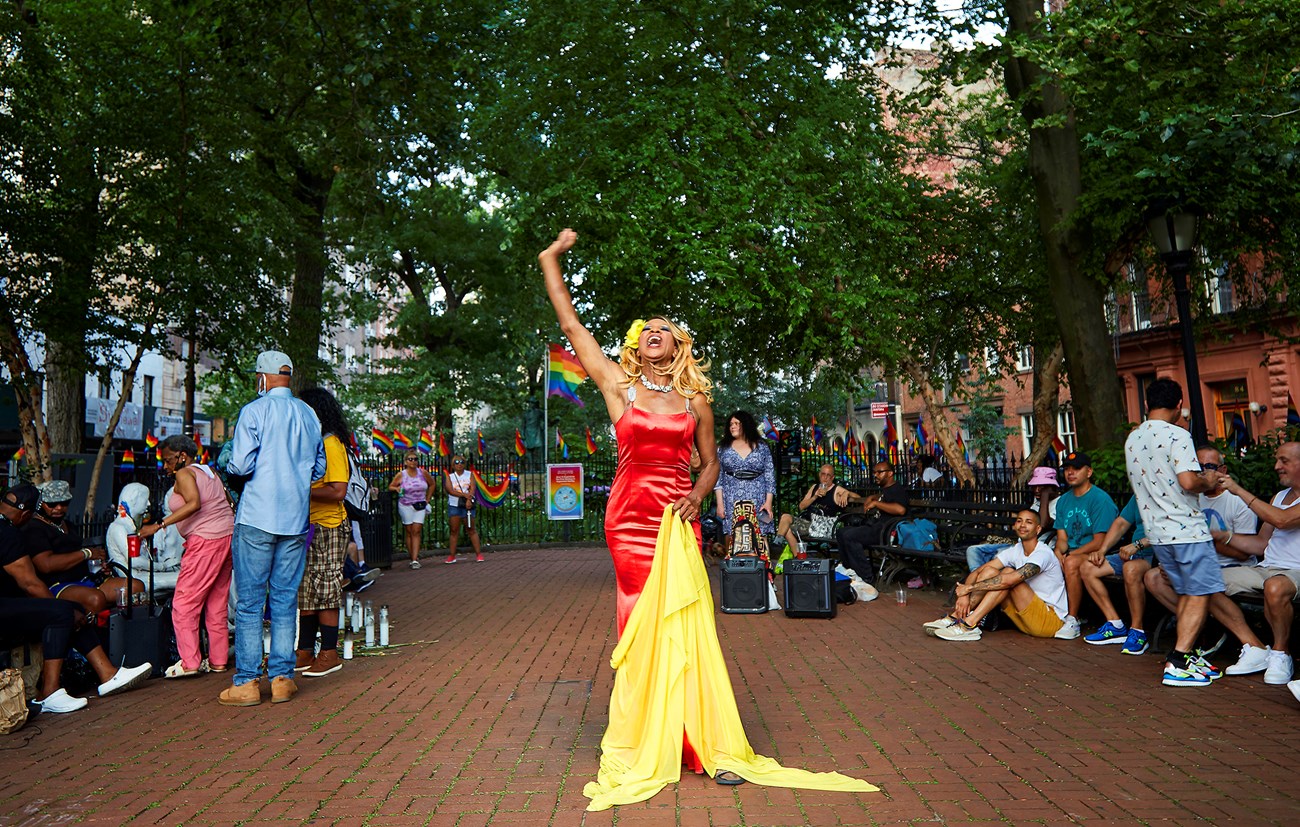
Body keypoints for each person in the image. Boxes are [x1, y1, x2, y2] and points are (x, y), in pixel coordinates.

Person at [540, 228, 873, 805]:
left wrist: (698, 494)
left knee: (689, 630)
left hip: (677, 520)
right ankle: (646, 738)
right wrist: (551, 258)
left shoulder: (697, 403)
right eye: (647, 330)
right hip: (629, 519)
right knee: (641, 629)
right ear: (637, 344)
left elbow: (713, 463)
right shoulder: (620, 388)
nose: (653, 335)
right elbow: (573, 328)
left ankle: (701, 743)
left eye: (664, 330)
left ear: (679, 346)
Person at [219, 350, 327, 707]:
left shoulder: (254, 410)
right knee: (284, 600)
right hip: (295, 519)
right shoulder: (309, 414)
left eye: (256, 377)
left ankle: (247, 682)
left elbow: (239, 464)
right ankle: (282, 679)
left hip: (257, 517)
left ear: (264, 377)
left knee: (250, 603)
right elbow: (318, 470)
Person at [1, 484, 152, 713]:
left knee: (71, 609)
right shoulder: (9, 532)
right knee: (64, 612)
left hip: (11, 602)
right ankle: (49, 693)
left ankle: (107, 674)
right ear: (26, 514)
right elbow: (30, 583)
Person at [1123, 378, 1222, 687]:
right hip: (1187, 528)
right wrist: (1209, 479)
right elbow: (1188, 482)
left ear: (1146, 404)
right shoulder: (1178, 434)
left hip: (1158, 532)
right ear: (1179, 404)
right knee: (1199, 593)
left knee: (1187, 594)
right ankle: (1178, 662)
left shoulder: (1133, 438)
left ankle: (1189, 656)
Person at [1143, 445, 1271, 676]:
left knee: (1202, 582)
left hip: (1234, 566)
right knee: (1153, 577)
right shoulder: (1192, 498)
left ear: (1222, 470)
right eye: (1197, 467)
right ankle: (1201, 626)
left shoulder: (1236, 502)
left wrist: (1202, 543)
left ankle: (1251, 644)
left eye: (1209, 467)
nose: (1202, 472)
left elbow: (1245, 553)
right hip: (1197, 564)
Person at [138, 435, 235, 678]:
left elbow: (194, 504)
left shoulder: (185, 473)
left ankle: (190, 662)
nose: (166, 466)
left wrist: (157, 525)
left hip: (205, 542)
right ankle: (219, 660)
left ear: (182, 456)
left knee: (183, 603)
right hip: (227, 537)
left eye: (169, 460)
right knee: (215, 602)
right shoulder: (209, 471)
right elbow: (228, 500)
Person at [1214, 440, 1300, 686]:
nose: (1276, 466)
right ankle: (1255, 647)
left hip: (1296, 571)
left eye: (1284, 460)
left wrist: (1237, 490)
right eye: (1277, 460)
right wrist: (1225, 537)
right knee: (1204, 581)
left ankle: (1281, 654)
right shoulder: (1279, 497)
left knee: (1275, 586)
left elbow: (1282, 520)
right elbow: (1262, 543)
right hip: (1267, 569)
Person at [925, 509, 1068, 641]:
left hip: (1049, 621)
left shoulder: (1042, 553)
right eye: (1019, 520)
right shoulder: (1016, 549)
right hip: (1025, 617)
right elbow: (979, 571)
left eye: (1028, 522)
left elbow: (1009, 580)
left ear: (1038, 529)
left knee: (1007, 575)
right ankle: (957, 617)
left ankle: (969, 624)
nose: (1022, 525)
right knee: (990, 572)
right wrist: (964, 594)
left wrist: (968, 589)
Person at [291, 388, 353, 678]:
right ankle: (304, 650)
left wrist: (301, 489)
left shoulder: (330, 444)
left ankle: (329, 652)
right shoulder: (314, 443)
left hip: (328, 526)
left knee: (326, 589)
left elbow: (338, 490)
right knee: (306, 591)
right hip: (309, 527)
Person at [23, 480, 140, 615]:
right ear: (40, 504)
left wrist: (98, 566)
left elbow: (76, 555)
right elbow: (46, 564)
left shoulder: (68, 525)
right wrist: (86, 553)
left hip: (85, 578)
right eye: (52, 504)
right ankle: (96, 632)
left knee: (135, 587)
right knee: (96, 599)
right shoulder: (35, 528)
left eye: (64, 503)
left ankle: (124, 631)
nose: (59, 508)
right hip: (57, 584)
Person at [1078, 496, 1157, 654]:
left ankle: (1138, 631)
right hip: (1133, 553)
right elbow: (1121, 523)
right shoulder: (1138, 495)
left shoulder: (1169, 494)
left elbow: (1171, 531)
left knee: (1130, 569)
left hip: (1156, 555)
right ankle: (1115, 624)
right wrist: (1102, 550)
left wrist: (1138, 545)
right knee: (1088, 567)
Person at [1053, 451, 1118, 640]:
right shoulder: (1063, 500)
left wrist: (1071, 555)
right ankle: (1053, 612)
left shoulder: (1100, 499)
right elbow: (1062, 538)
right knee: (1044, 560)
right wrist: (1058, 552)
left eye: (1076, 469)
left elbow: (1100, 541)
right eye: (1067, 469)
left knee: (1071, 563)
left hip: (1097, 552)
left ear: (1089, 472)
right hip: (1074, 552)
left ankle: (1073, 619)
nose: (1070, 473)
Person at [965, 466, 1060, 571]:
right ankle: (980, 581)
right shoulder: (1037, 502)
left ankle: (984, 582)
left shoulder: (1060, 503)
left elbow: (1043, 524)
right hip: (1019, 545)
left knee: (998, 557)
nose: (1037, 490)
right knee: (973, 550)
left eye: (1042, 487)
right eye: (1034, 486)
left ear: (1053, 487)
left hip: (1036, 548)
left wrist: (1045, 496)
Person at [835, 462, 908, 583]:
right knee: (841, 532)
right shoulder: (887, 489)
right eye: (874, 472)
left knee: (850, 537)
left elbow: (900, 509)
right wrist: (874, 496)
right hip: (877, 526)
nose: (876, 475)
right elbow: (886, 496)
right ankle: (850, 570)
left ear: (890, 473)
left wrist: (876, 503)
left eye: (880, 472)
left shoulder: (898, 489)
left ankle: (866, 576)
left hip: (887, 531)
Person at [714, 410, 776, 552]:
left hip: (758, 496)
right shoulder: (723, 448)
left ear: (746, 425)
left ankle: (765, 570)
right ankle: (732, 570)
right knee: (732, 534)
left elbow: (769, 476)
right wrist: (720, 504)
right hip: (731, 496)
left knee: (760, 534)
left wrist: (768, 502)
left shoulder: (762, 447)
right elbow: (718, 477)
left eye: (736, 423)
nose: (732, 427)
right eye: (730, 424)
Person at [774, 464, 859, 552]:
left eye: (828, 475)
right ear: (819, 475)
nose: (825, 477)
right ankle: (779, 543)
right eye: (823, 474)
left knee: (787, 528)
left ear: (832, 477)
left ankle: (797, 556)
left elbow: (858, 498)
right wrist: (815, 496)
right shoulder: (815, 487)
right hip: (808, 523)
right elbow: (801, 506)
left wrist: (846, 493)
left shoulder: (836, 489)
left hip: (822, 526)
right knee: (785, 518)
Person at [389, 451, 434, 569]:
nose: (413, 461)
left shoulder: (423, 473)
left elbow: (432, 484)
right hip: (406, 505)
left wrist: (427, 499)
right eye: (410, 459)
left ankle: (414, 560)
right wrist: (397, 489)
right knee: (409, 531)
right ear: (405, 462)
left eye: (415, 459)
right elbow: (391, 486)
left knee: (416, 530)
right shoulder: (401, 474)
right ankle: (412, 555)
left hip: (420, 505)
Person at [443, 456, 484, 564]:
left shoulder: (469, 474)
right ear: (453, 465)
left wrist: (468, 499)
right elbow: (450, 490)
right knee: (454, 530)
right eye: (456, 462)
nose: (459, 464)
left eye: (461, 462)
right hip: (454, 505)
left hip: (468, 505)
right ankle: (452, 555)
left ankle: (478, 554)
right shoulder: (450, 476)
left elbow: (472, 488)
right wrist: (464, 495)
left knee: (471, 529)